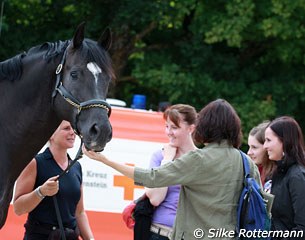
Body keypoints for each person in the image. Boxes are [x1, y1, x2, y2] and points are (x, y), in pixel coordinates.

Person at [83, 99, 261, 240]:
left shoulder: (199, 160)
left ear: (205, 126)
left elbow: (151, 177)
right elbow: (263, 205)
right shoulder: (247, 163)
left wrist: (104, 160)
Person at [13, 120, 94, 240]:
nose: (72, 132)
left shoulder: (76, 167)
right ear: (50, 134)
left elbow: (79, 212)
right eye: (66, 128)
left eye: (73, 128)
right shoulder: (35, 163)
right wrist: (41, 192)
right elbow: (18, 208)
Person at [145, 104, 197, 240]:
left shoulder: (202, 160)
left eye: (174, 127)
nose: (169, 132)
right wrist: (167, 161)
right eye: (167, 126)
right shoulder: (159, 156)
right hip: (159, 233)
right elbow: (156, 199)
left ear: (191, 128)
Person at [263, 116, 305, 238]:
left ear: (284, 141)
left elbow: (302, 228)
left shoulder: (297, 177)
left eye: (268, 140)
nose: (265, 146)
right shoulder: (277, 173)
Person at [247, 121, 275, 187]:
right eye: (249, 147)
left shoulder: (278, 175)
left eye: (254, 147)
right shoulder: (253, 172)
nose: (249, 152)